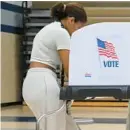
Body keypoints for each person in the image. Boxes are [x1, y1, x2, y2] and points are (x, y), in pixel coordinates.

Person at [22, 2, 87, 130]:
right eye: (78, 28)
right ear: (71, 20)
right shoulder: (61, 33)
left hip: (36, 82)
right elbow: (69, 69)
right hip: (43, 84)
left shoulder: (51, 28)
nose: (77, 33)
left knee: (69, 126)